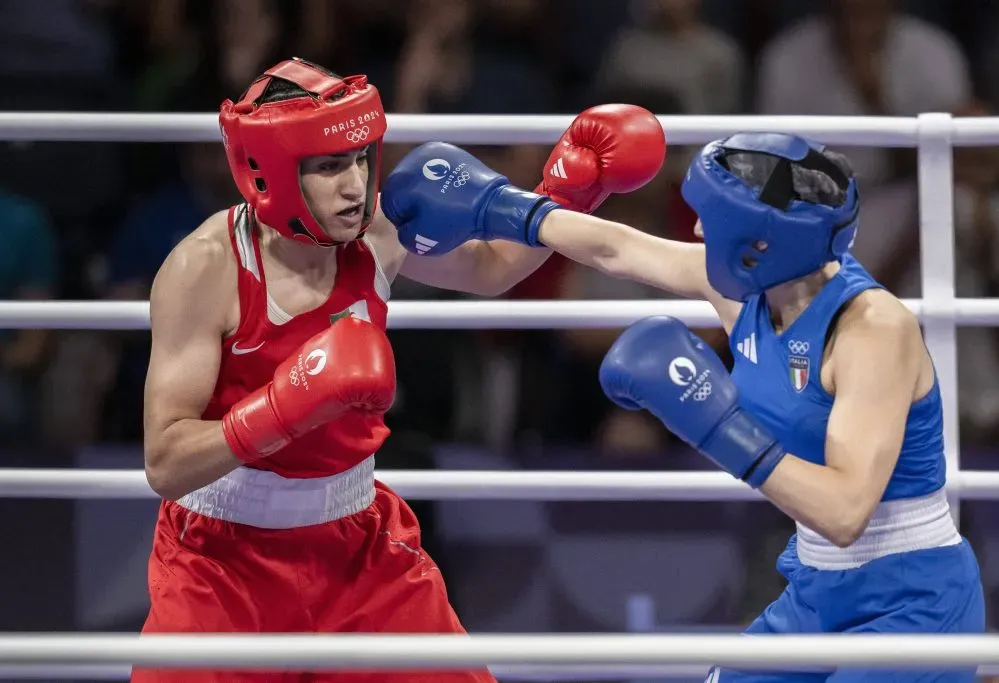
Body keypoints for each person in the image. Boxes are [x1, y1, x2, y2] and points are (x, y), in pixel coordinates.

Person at [135, 57, 665, 683]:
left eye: (361, 158)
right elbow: (165, 462)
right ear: (270, 173)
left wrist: (570, 190)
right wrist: (284, 407)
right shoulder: (206, 268)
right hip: (220, 563)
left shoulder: (375, 233)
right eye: (330, 166)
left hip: (358, 548)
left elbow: (493, 269)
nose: (356, 184)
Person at [388, 132, 985, 682]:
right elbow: (617, 248)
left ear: (759, 243)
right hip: (817, 587)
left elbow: (845, 511)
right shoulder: (748, 289)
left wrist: (717, 426)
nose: (698, 233)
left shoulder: (871, 330)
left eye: (712, 221)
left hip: (912, 602)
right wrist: (503, 208)